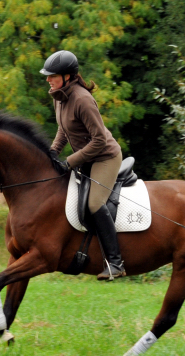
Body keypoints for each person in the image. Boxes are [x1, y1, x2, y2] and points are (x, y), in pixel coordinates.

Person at [40, 50, 125, 280]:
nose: (48, 79)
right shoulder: (59, 96)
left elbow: (98, 141)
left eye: (52, 75)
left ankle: (116, 263)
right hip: (86, 157)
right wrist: (52, 152)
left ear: (68, 76)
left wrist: (69, 162)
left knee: (95, 203)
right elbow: (63, 130)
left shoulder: (82, 99)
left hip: (104, 157)